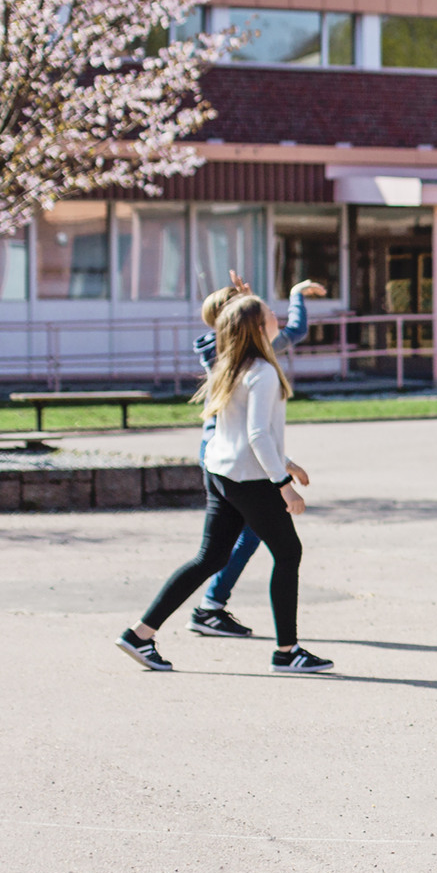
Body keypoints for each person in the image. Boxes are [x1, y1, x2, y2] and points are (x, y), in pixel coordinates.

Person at [117, 294, 334, 676]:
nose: (276, 319)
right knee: (288, 554)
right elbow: (256, 435)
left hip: (220, 472)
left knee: (211, 557)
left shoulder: (232, 364)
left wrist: (287, 462)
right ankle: (287, 652)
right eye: (270, 315)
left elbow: (244, 433)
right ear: (258, 327)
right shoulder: (263, 371)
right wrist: (283, 484)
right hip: (248, 479)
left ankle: (140, 635)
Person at [187, 272, 323, 639]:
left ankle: (196, 612)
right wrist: (284, 479)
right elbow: (257, 433)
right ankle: (211, 608)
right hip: (234, 453)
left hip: (220, 450)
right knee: (257, 541)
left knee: (219, 549)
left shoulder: (218, 347)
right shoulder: (250, 361)